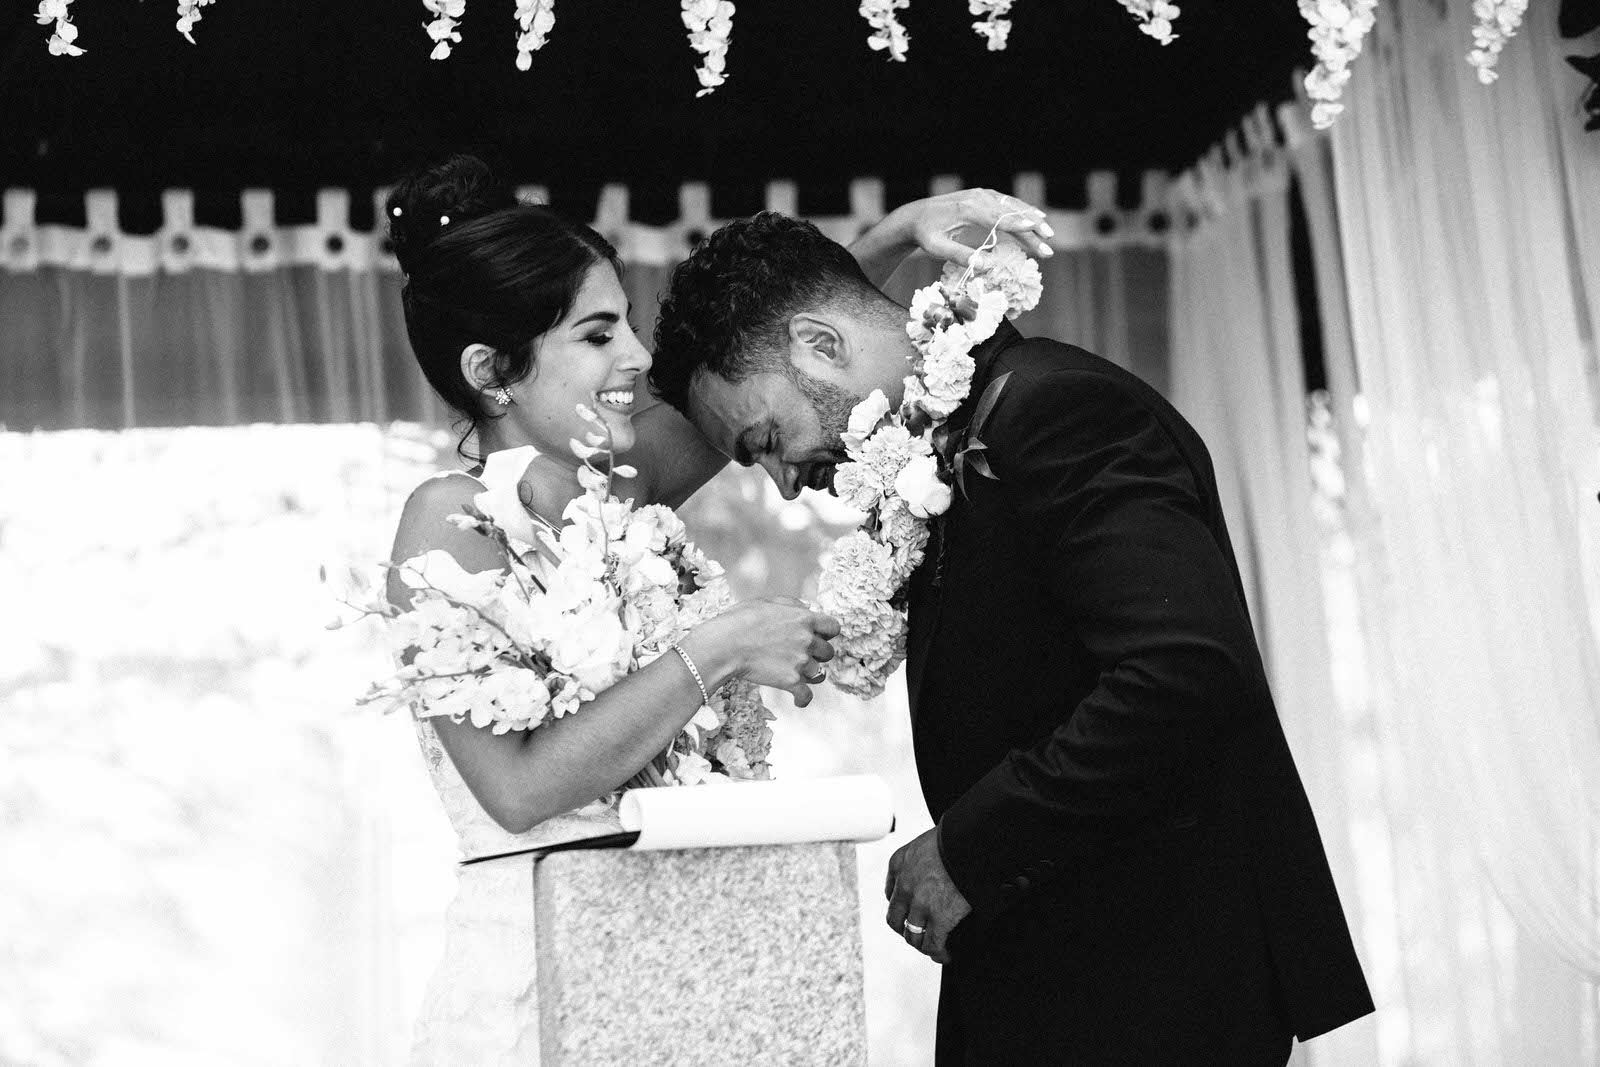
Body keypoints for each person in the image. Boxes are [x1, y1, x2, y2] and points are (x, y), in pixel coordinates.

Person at [648, 212, 1376, 1065]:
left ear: (819, 342)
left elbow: (1185, 670)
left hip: (1148, 988)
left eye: (767, 440)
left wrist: (968, 847)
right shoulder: (952, 441)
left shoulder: (1057, 409)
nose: (782, 483)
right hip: (1054, 979)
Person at [383, 155, 1055, 1065]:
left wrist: (896, 232)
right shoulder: (447, 522)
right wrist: (728, 642)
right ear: (491, 370)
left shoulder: (622, 482)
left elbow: (766, 366)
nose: (636, 357)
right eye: (597, 334)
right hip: (539, 969)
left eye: (625, 322)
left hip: (685, 950)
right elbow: (517, 789)